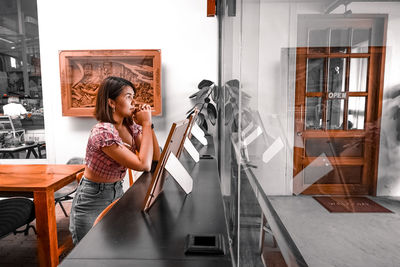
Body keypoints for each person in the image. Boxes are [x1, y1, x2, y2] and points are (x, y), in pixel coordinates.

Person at [69, 76, 160, 244]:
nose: (134, 102)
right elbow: (143, 164)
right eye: (128, 97)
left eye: (133, 96)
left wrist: (148, 124)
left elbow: (155, 157)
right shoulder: (103, 132)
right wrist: (146, 124)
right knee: (87, 253)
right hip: (92, 198)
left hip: (117, 192)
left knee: (112, 248)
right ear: (111, 102)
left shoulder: (129, 126)